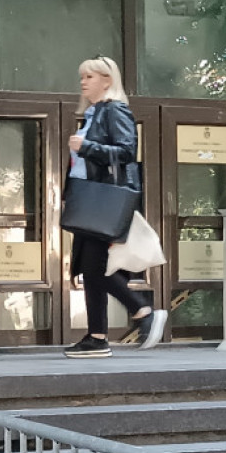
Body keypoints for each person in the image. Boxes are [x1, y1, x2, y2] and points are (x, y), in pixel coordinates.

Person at [63, 56, 167, 359]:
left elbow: (126, 151)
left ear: (107, 80)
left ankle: (143, 311)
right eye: (82, 76)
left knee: (94, 268)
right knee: (90, 269)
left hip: (104, 201)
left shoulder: (114, 110)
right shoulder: (93, 114)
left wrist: (86, 147)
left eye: (90, 76)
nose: (83, 82)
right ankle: (97, 337)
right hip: (89, 201)